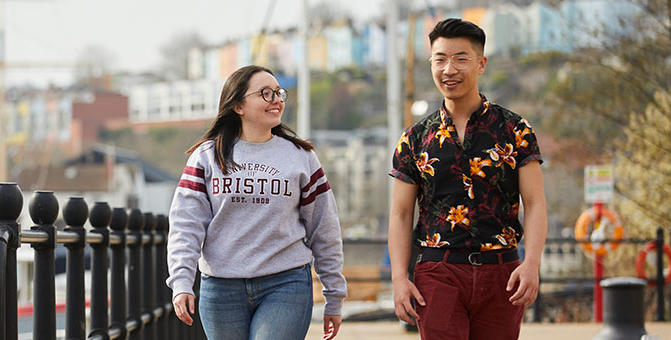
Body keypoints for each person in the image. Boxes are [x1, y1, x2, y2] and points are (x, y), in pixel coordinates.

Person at [387, 18, 548, 340]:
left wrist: (531, 264)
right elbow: (401, 214)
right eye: (440, 59)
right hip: (438, 270)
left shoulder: (515, 130)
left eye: (461, 59)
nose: (449, 69)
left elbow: (535, 202)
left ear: (481, 64)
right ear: (431, 64)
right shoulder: (415, 138)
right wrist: (399, 279)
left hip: (502, 271)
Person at [167, 65, 347, 340]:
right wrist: (181, 281)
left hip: (286, 283)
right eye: (265, 93)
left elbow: (324, 226)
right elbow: (185, 225)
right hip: (220, 288)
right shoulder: (207, 157)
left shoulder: (301, 156)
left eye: (279, 92)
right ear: (238, 104)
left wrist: (334, 293)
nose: (277, 100)